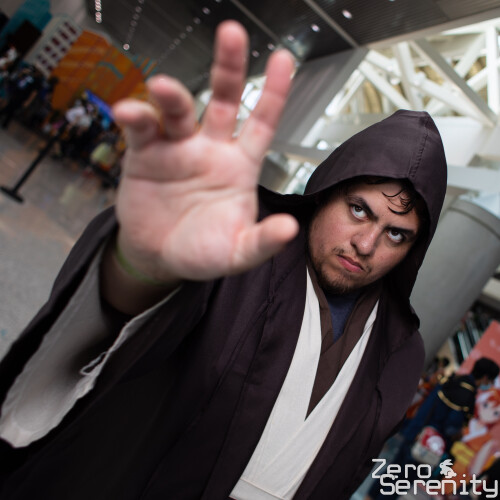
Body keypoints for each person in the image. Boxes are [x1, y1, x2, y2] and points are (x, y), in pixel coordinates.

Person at [0, 21, 448, 499]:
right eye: (359, 210)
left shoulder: (400, 353)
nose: (366, 243)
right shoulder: (238, 252)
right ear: (325, 194)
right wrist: (147, 266)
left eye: (396, 234)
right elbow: (133, 332)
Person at [365, 357, 500, 500]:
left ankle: (369, 497)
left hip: (416, 432)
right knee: (401, 481)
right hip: (429, 444)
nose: (489, 384)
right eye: (491, 381)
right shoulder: (466, 394)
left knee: (392, 472)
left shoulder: (453, 380)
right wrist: (459, 433)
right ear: (485, 377)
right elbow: (451, 426)